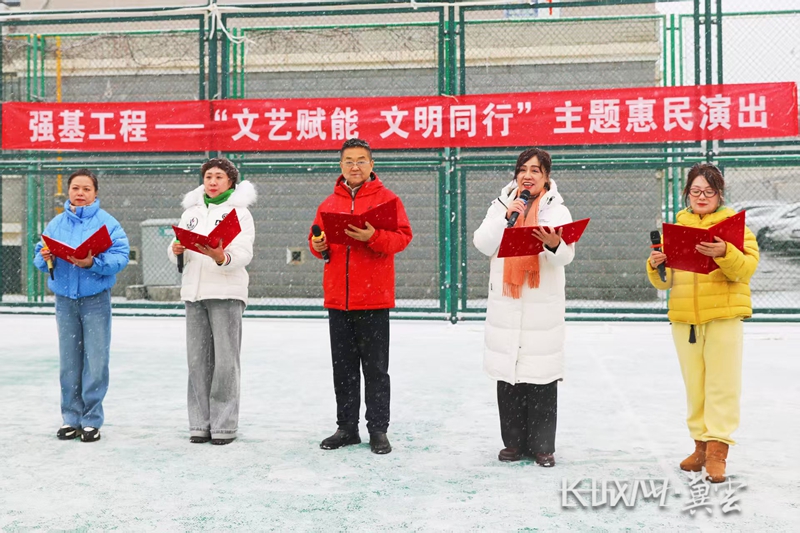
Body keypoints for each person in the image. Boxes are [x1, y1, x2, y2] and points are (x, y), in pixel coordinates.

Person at [647, 163, 759, 483]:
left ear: (719, 194)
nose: (701, 197)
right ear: (687, 193)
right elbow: (664, 283)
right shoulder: (675, 229)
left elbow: (746, 269)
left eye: (709, 191)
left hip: (724, 316)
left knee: (722, 385)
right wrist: (656, 264)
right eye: (695, 191)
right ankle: (699, 446)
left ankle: (717, 452)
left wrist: (725, 251)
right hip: (685, 320)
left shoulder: (735, 227)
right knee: (695, 386)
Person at [309, 138, 413, 455]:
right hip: (338, 300)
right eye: (349, 161)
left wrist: (373, 236)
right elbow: (316, 240)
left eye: (361, 160)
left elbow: (402, 238)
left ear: (371, 164)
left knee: (376, 370)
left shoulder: (388, 200)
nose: (355, 166)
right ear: (341, 165)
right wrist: (318, 244)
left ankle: (378, 430)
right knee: (343, 369)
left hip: (374, 299)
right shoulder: (328, 203)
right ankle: (347, 428)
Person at [472, 147, 574, 467]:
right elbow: (483, 243)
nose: (528, 176)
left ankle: (543, 446)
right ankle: (513, 444)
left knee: (541, 376)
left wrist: (554, 243)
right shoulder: (501, 205)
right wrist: (505, 219)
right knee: (509, 375)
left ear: (546, 177)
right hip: (507, 301)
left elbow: (565, 255)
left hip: (542, 305)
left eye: (535, 170)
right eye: (523, 169)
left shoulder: (557, 211)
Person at [34, 169, 130, 443]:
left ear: (95, 193)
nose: (80, 193)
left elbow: (121, 256)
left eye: (86, 189)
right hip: (65, 301)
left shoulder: (107, 223)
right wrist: (47, 256)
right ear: (69, 191)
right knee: (69, 361)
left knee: (96, 360)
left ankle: (91, 420)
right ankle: (70, 418)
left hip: (95, 300)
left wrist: (93, 263)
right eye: (76, 188)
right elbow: (39, 257)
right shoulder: (56, 224)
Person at [168, 157, 256, 445]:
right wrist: (176, 249)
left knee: (226, 363)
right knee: (197, 362)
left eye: (219, 177)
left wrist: (221, 256)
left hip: (226, 293)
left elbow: (244, 252)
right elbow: (179, 250)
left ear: (230, 181)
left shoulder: (240, 213)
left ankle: (223, 426)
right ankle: (199, 424)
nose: (213, 182)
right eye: (208, 177)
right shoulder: (191, 212)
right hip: (194, 293)